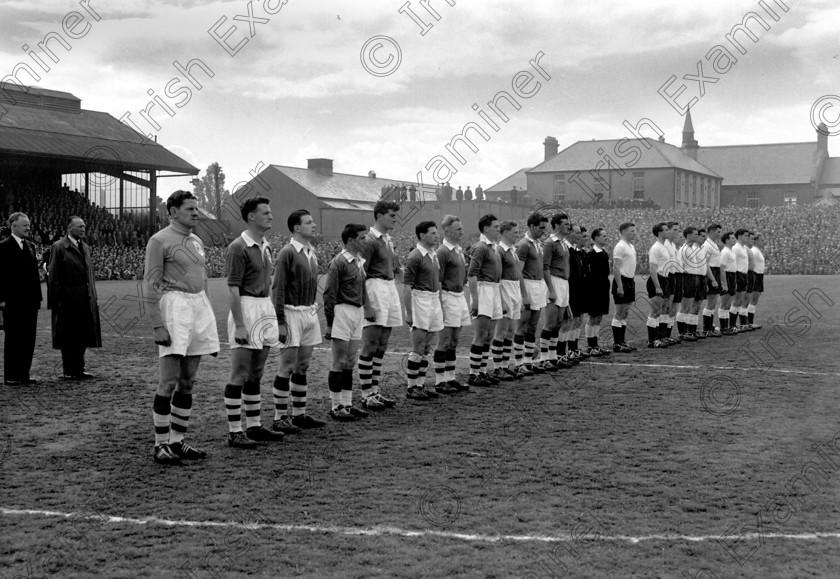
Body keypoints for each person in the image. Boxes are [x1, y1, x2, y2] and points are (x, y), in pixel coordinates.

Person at [144, 191, 220, 465]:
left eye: (197, 208)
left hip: (197, 307)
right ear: (173, 212)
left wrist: (207, 316)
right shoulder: (159, 240)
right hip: (174, 306)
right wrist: (157, 326)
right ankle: (160, 444)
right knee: (168, 381)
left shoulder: (197, 240)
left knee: (188, 382)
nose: (196, 213)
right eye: (189, 208)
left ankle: (177, 441)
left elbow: (203, 280)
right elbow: (151, 283)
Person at [223, 197, 286, 448]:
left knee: (256, 373)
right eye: (265, 213)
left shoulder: (266, 246)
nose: (271, 216)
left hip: (264, 307)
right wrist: (239, 325)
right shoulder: (238, 247)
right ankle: (234, 432)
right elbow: (233, 290)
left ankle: (254, 426)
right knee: (239, 373)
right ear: (251, 216)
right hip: (246, 308)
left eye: (271, 212)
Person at [271, 209, 326, 430]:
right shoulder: (287, 252)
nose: (313, 225)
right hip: (290, 313)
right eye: (309, 222)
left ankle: (299, 414)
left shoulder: (311, 252)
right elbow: (278, 288)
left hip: (308, 312)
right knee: (287, 366)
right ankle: (279, 418)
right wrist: (280, 321)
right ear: (296, 228)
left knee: (302, 366)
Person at [323, 224, 375, 420]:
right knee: (339, 361)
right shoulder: (339, 262)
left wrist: (366, 306)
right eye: (362, 238)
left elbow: (362, 288)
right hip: (342, 311)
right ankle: (336, 406)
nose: (364, 241)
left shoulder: (359, 261)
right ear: (351, 240)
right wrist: (329, 323)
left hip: (357, 312)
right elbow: (329, 294)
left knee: (350, 361)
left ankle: (347, 403)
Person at [358, 200, 402, 410]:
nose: (395, 219)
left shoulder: (387, 240)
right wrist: (366, 304)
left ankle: (375, 391)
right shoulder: (369, 240)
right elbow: (359, 273)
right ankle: (366, 394)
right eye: (392, 215)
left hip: (389, 288)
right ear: (379, 216)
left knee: (382, 345)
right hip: (374, 288)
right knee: (370, 344)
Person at [48, 216, 101, 380]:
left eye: (84, 226)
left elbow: (89, 275)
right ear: (69, 228)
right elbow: (54, 276)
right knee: (69, 336)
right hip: (67, 300)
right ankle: (70, 370)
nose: (82, 229)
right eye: (79, 226)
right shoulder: (59, 247)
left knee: (82, 334)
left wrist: (93, 297)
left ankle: (79, 368)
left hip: (85, 299)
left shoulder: (84, 246)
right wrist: (56, 301)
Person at [402, 221, 444, 400]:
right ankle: (411, 388)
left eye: (436, 233)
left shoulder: (433, 255)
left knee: (427, 347)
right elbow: (407, 287)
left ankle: (420, 385)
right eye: (432, 233)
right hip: (421, 300)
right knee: (418, 346)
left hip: (434, 300)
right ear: (422, 236)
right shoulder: (415, 256)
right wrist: (410, 313)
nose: (436, 236)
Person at [0, 212, 41, 385]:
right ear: (13, 226)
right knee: (14, 338)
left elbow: (33, 274)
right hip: (13, 301)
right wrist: (1, 298)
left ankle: (24, 373)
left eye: (29, 225)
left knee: (28, 338)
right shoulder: (3, 246)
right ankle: (11, 376)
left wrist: (38, 298)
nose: (28, 228)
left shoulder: (30, 246)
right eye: (24, 225)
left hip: (30, 301)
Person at [433, 215, 472, 393]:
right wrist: (440, 304)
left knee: (455, 340)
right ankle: (440, 381)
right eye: (458, 229)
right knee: (445, 340)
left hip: (459, 296)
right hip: (448, 296)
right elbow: (438, 281)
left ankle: (451, 377)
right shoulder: (442, 252)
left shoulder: (458, 250)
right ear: (447, 231)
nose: (461, 232)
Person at [467, 214, 503, 386]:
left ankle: (482, 371)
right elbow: (472, 275)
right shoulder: (480, 247)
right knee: (480, 334)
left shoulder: (493, 248)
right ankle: (473, 373)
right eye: (496, 227)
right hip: (483, 290)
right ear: (486, 228)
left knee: (489, 335)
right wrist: (475, 300)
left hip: (494, 290)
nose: (498, 230)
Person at [514, 213, 548, 375]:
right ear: (532, 226)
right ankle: (518, 363)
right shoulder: (524, 245)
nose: (544, 231)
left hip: (538, 286)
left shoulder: (537, 244)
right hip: (528, 285)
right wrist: (524, 294)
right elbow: (518, 272)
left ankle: (529, 361)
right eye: (541, 228)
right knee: (522, 326)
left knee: (533, 326)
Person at [492, 220, 525, 381]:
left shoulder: (512, 250)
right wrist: (501, 299)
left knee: (511, 331)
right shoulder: (499, 251)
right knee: (501, 332)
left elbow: (518, 274)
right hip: (504, 289)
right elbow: (496, 277)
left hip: (514, 290)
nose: (517, 235)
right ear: (505, 233)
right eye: (515, 232)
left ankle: (505, 366)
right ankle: (497, 368)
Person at [542, 213, 574, 369]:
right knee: (549, 323)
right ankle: (544, 358)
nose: (568, 226)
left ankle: (553, 357)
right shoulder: (550, 243)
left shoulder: (562, 243)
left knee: (558, 324)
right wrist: (551, 289)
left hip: (564, 283)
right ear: (556, 225)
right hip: (554, 282)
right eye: (565, 224)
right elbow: (545, 267)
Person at [584, 228, 611, 356]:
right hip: (594, 290)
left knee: (598, 318)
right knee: (592, 317)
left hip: (603, 289)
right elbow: (589, 275)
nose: (606, 237)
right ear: (596, 238)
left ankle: (596, 345)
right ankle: (591, 346)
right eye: (603, 236)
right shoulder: (591, 254)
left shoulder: (604, 253)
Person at [646, 222, 671, 348]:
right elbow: (652, 269)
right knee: (654, 311)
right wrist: (657, 286)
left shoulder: (663, 246)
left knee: (660, 311)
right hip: (658, 280)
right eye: (666, 230)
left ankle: (658, 337)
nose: (668, 231)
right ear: (659, 232)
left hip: (664, 279)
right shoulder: (655, 248)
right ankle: (652, 340)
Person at [701, 223, 723, 337]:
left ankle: (710, 326)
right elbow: (706, 263)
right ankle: (706, 328)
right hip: (712, 272)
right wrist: (713, 279)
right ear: (711, 231)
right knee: (710, 302)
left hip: (716, 271)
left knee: (713, 302)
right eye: (718, 232)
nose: (720, 234)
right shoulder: (707, 245)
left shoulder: (714, 244)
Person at [732, 229, 751, 332]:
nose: (747, 237)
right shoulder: (736, 248)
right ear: (739, 236)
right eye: (746, 235)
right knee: (736, 301)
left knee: (739, 301)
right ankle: (732, 324)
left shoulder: (743, 248)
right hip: (738, 275)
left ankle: (735, 324)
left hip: (744, 275)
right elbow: (733, 263)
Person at [719, 232, 737, 335]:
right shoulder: (725, 252)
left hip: (732, 276)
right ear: (726, 240)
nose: (734, 240)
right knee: (724, 303)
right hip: (727, 276)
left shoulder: (731, 251)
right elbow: (722, 268)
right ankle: (723, 327)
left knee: (728, 304)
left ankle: (726, 327)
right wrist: (724, 283)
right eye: (732, 238)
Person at [748, 232, 765, 330]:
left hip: (759, 276)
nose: (763, 242)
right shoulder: (754, 251)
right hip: (755, 276)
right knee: (753, 300)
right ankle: (749, 322)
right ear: (756, 240)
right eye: (762, 240)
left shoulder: (757, 250)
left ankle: (749, 322)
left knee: (754, 300)